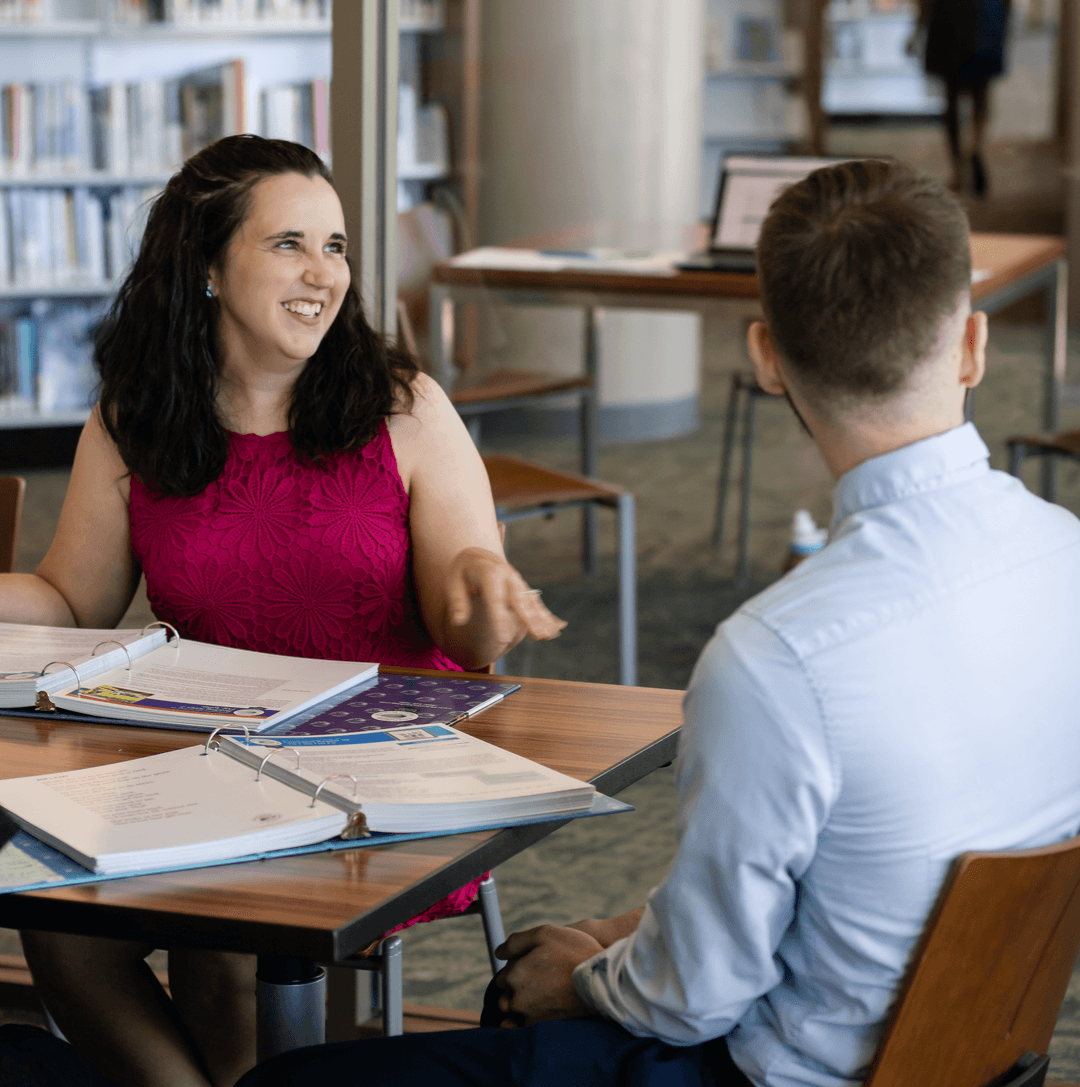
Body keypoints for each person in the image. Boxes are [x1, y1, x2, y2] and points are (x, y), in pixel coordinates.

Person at [236, 159, 1080, 1087]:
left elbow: (694, 998)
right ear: (972, 345)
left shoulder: (777, 657)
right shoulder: (1065, 555)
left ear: (764, 358)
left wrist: (585, 975)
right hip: (980, 1059)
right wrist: (619, 937)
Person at [4, 134, 565, 1087]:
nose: (324, 273)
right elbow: (71, 599)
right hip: (205, 757)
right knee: (59, 922)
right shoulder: (135, 415)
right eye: (290, 245)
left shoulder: (405, 407)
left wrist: (483, 590)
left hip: (382, 769)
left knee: (216, 928)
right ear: (209, 268)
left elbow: (467, 628)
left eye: (337, 245)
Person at [912, 0, 1012, 196]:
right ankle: (976, 145)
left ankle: (958, 168)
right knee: (981, 95)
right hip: (986, 16)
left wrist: (918, 27)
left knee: (951, 100)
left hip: (948, 20)